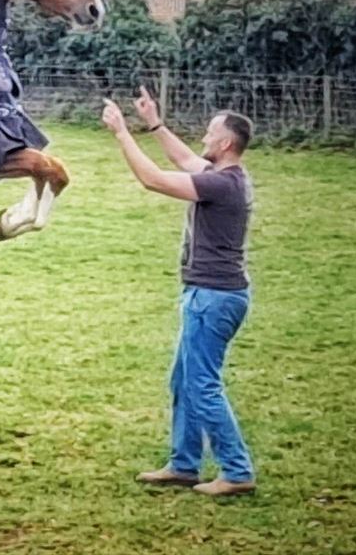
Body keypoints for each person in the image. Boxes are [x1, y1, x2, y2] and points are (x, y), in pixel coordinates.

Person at [100, 87, 257, 496]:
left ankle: (237, 471)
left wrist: (122, 133)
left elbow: (153, 179)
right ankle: (184, 465)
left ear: (225, 144)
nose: (203, 137)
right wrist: (154, 123)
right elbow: (184, 160)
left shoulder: (222, 185)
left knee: (202, 384)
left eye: (210, 133)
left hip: (213, 298)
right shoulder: (226, 176)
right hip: (211, 295)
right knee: (185, 381)